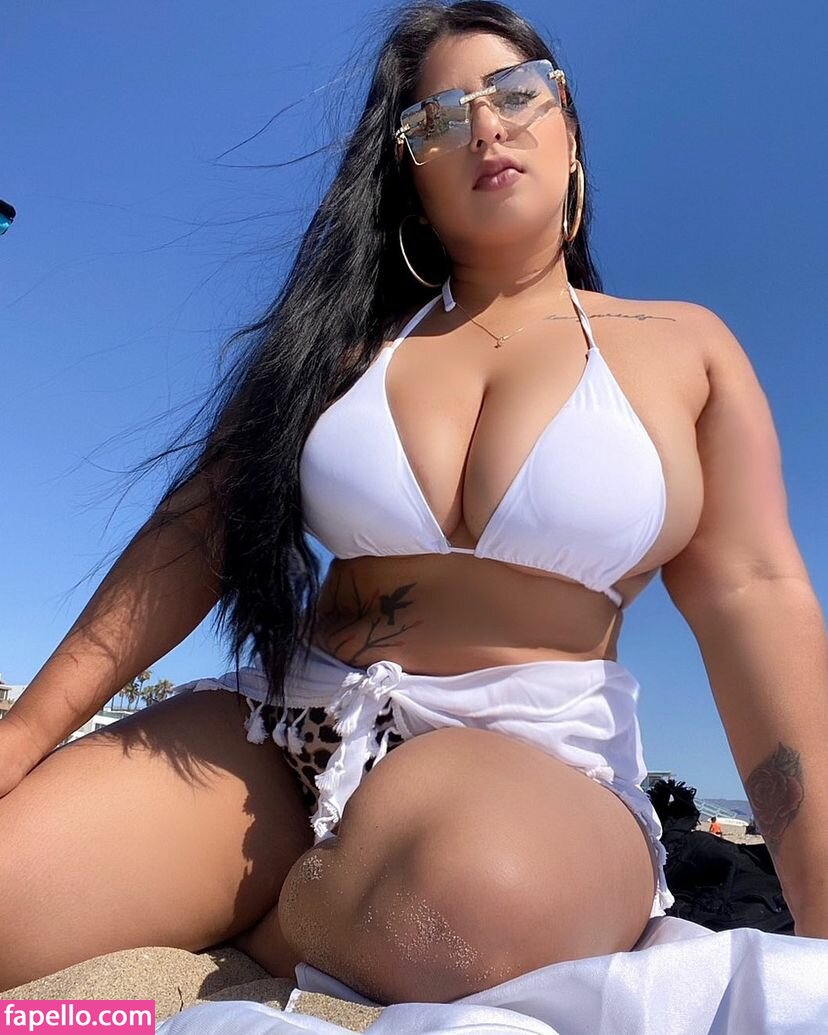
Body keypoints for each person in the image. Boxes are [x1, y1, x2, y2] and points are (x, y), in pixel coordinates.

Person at [1, 0, 826, 1008]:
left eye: (516, 93)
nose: (485, 126)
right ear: (411, 176)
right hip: (290, 732)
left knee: (465, 905)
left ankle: (271, 916)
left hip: (536, 764)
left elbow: (755, 598)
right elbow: (194, 531)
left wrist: (821, 903)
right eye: (436, 118)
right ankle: (297, 903)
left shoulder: (684, 346)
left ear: (569, 127)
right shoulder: (340, 347)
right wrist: (20, 737)